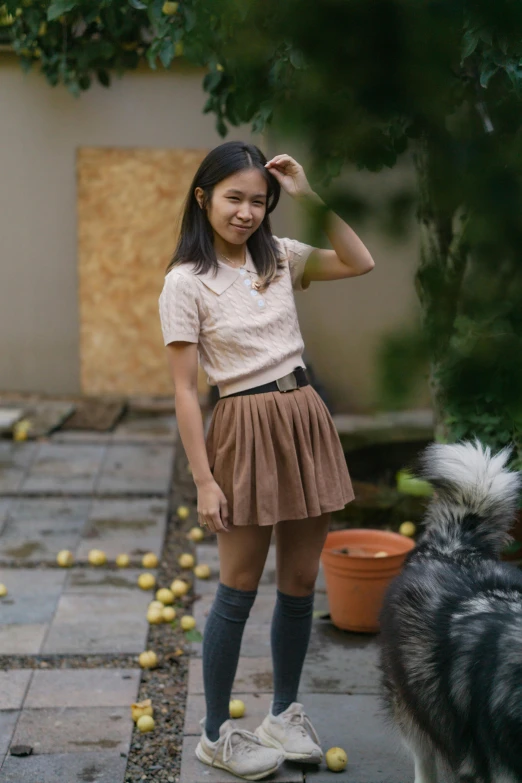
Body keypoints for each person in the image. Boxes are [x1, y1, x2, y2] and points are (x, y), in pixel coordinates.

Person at [158, 141, 374, 781]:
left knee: (302, 582)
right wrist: (204, 479)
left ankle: (283, 714)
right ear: (203, 198)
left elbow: (361, 262)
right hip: (244, 426)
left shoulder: (279, 258)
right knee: (237, 588)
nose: (247, 212)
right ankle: (215, 734)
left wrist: (309, 193)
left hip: (304, 415)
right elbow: (182, 390)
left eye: (259, 201)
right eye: (234, 198)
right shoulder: (184, 282)